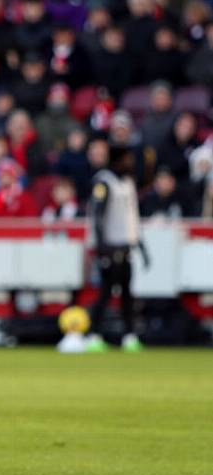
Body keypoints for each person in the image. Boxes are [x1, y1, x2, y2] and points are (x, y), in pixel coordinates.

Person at [86, 146, 150, 353]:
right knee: (105, 293)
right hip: (109, 246)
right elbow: (97, 215)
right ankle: (94, 334)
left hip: (126, 245)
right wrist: (101, 245)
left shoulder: (128, 182)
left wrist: (140, 244)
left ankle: (129, 336)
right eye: (126, 159)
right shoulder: (104, 181)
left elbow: (132, 216)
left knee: (127, 295)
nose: (130, 163)